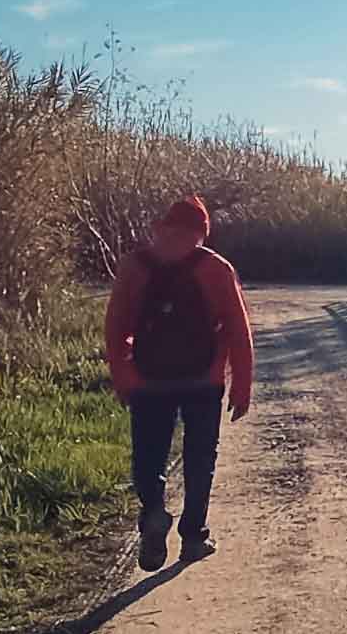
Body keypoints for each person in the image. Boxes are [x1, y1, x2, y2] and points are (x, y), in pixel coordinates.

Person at [103, 195, 253, 572]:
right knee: (200, 457)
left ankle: (154, 511)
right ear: (202, 230)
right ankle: (193, 537)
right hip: (204, 380)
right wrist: (242, 385)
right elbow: (238, 328)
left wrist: (123, 376)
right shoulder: (216, 267)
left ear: (163, 226)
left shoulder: (134, 266)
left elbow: (116, 326)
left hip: (148, 378)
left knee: (149, 455)